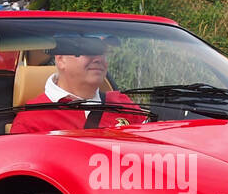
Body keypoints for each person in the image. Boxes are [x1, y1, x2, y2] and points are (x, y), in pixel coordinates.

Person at [9, 35, 145, 133]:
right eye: (88, 51)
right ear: (61, 59)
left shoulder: (122, 102)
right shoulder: (30, 121)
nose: (99, 59)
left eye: (102, 53)